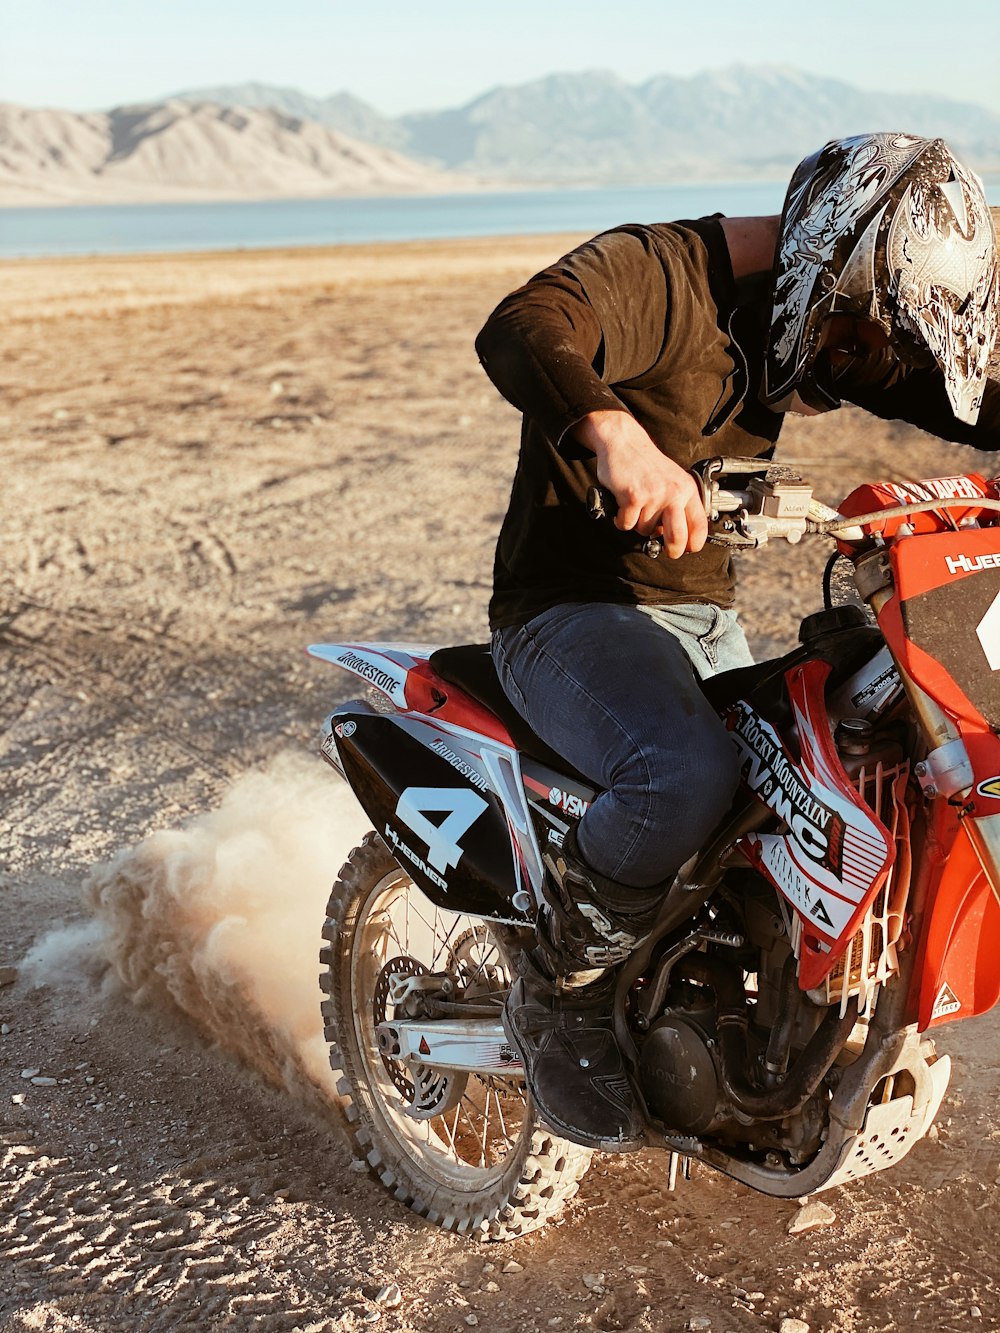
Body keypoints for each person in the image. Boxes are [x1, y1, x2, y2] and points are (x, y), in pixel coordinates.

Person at [475, 132, 1000, 1153]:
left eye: (869, 345)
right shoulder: (665, 274)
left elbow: (957, 394)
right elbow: (523, 323)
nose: (862, 366)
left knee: (840, 745)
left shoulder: (833, 321)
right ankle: (557, 989)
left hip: (698, 611)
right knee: (683, 775)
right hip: (570, 610)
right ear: (822, 272)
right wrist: (612, 433)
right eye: (858, 338)